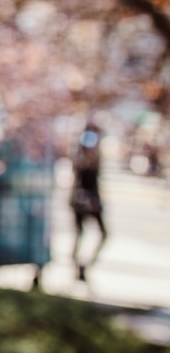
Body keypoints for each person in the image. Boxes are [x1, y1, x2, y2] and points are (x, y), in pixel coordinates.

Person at [70, 121, 107, 282]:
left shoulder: (95, 155)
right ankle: (78, 268)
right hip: (83, 201)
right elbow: (79, 181)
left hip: (92, 201)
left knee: (99, 234)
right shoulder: (83, 157)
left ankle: (84, 266)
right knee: (79, 235)